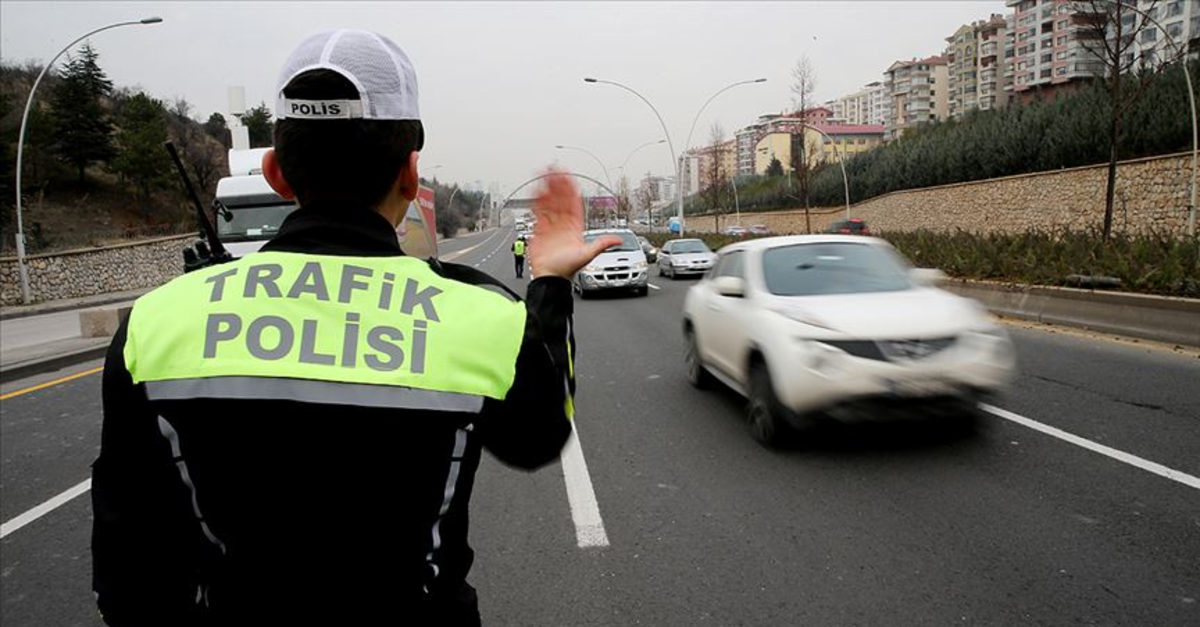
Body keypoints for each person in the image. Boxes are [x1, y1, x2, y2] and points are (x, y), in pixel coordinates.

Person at [91, 30, 620, 626]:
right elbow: (538, 438)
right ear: (410, 173)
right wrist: (547, 285)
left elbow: (129, 576)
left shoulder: (155, 325)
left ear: (276, 174)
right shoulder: (483, 318)